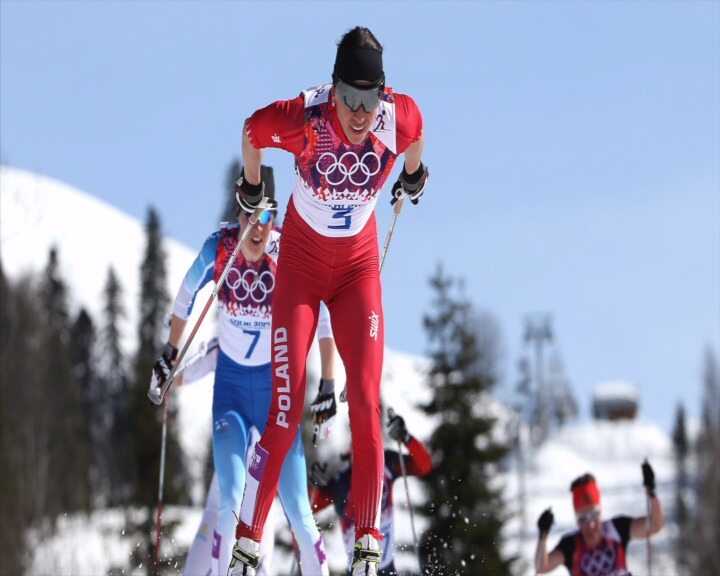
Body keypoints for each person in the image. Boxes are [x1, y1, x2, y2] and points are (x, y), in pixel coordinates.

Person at [230, 26, 428, 576]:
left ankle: (368, 541)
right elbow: (252, 129)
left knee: (364, 400)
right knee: (287, 407)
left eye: (371, 99)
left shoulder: (396, 115)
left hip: (357, 270)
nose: (360, 113)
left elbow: (418, 131)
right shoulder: (304, 118)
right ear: (334, 88)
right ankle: (247, 543)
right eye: (350, 99)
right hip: (300, 267)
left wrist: (413, 175)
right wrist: (253, 185)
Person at [148, 167, 329, 575]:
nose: (257, 228)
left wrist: (330, 379)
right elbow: (184, 296)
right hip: (230, 393)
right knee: (229, 500)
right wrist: (170, 353)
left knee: (299, 511)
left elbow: (325, 316)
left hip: (275, 399)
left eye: (266, 217)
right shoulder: (220, 248)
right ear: (238, 214)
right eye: (250, 216)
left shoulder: (287, 253)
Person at [310, 410, 432, 576]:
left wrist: (406, 437)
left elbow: (423, 465)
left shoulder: (386, 463)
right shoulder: (341, 481)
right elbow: (310, 506)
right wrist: (313, 483)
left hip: (386, 568)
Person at [534, 461, 665, 575]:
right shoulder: (571, 544)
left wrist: (652, 493)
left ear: (601, 512)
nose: (590, 524)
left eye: (593, 515)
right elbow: (541, 567)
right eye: (583, 518)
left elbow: (654, 525)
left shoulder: (617, 529)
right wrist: (543, 535)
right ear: (576, 520)